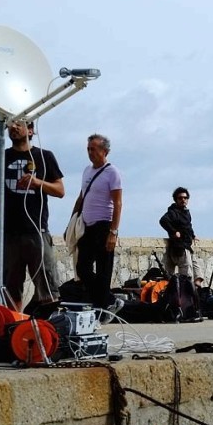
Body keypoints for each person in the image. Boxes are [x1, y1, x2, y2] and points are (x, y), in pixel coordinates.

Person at [0, 120, 64, 311]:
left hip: (36, 231)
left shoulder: (44, 156)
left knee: (47, 290)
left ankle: (42, 332)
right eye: (10, 124)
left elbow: (60, 190)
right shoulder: (0, 156)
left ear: (31, 130)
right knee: (10, 291)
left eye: (19, 123)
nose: (13, 127)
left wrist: (37, 183)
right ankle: (11, 333)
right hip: (8, 234)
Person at [71, 134, 123, 319]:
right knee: (82, 267)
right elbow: (82, 196)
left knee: (103, 270)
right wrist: (72, 220)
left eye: (94, 149)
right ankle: (108, 299)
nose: (90, 153)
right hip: (87, 225)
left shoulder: (112, 172)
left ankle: (102, 307)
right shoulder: (87, 171)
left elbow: (118, 203)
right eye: (88, 149)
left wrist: (113, 232)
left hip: (104, 225)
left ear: (105, 151)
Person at [159, 187, 203, 286]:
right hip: (180, 246)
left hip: (188, 245)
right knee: (186, 273)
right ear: (176, 199)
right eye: (180, 198)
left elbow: (188, 226)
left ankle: (197, 289)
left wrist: (193, 235)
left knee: (197, 268)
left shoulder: (186, 212)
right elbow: (163, 221)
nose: (183, 200)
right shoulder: (173, 212)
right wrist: (174, 232)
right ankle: (187, 293)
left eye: (185, 198)